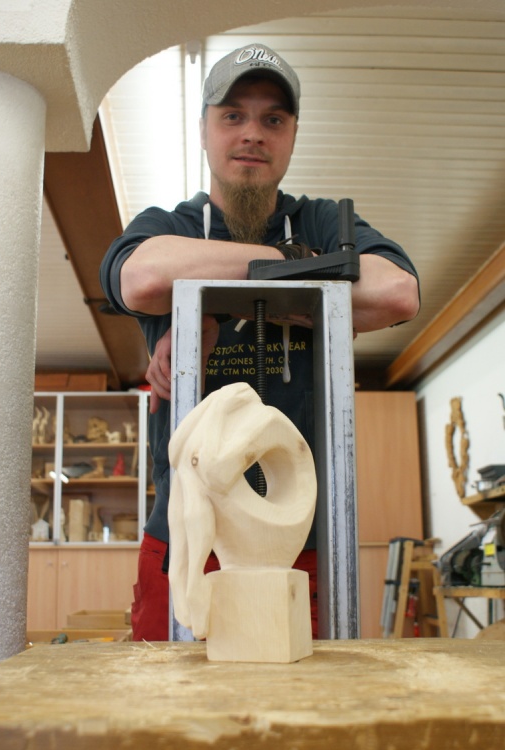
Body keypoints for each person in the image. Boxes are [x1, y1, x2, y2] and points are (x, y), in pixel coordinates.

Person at [100, 42, 420, 642]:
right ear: (204, 130)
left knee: (304, 698)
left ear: (292, 135)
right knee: (166, 697)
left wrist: (215, 294)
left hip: (302, 538)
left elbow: (397, 292)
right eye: (233, 115)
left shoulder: (320, 220)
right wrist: (305, 272)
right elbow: (141, 276)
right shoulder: (169, 225)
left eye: (273, 119)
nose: (252, 133)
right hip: (187, 540)